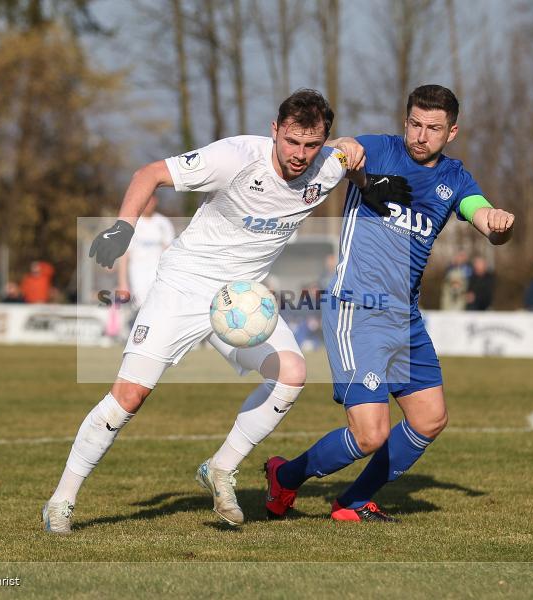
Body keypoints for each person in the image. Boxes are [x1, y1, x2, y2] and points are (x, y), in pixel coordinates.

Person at [41, 88, 408, 532]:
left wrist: (368, 184)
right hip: (184, 284)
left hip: (242, 298)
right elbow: (148, 173)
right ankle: (62, 500)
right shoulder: (233, 157)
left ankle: (220, 467)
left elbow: (350, 160)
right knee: (130, 397)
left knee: (291, 373)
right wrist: (123, 228)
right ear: (274, 130)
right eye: (292, 141)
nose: (300, 154)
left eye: (312, 145)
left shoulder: (327, 165)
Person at [264, 85, 515, 522]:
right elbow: (345, 149)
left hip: (405, 316)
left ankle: (353, 500)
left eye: (433, 128)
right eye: (415, 124)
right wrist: (347, 149)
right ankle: (286, 477)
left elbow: (482, 215)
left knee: (429, 419)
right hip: (357, 308)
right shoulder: (379, 149)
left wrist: (497, 223)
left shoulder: (455, 179)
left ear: (451, 132)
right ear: (405, 122)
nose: (421, 136)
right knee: (370, 434)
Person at [116, 195, 175, 310]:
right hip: (137, 271)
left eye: (151, 200)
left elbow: (169, 252)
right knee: (140, 307)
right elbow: (124, 255)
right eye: (146, 200)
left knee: (158, 306)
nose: (148, 203)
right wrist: (122, 283)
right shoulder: (131, 223)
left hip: (158, 272)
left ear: (155, 201)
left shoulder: (163, 223)